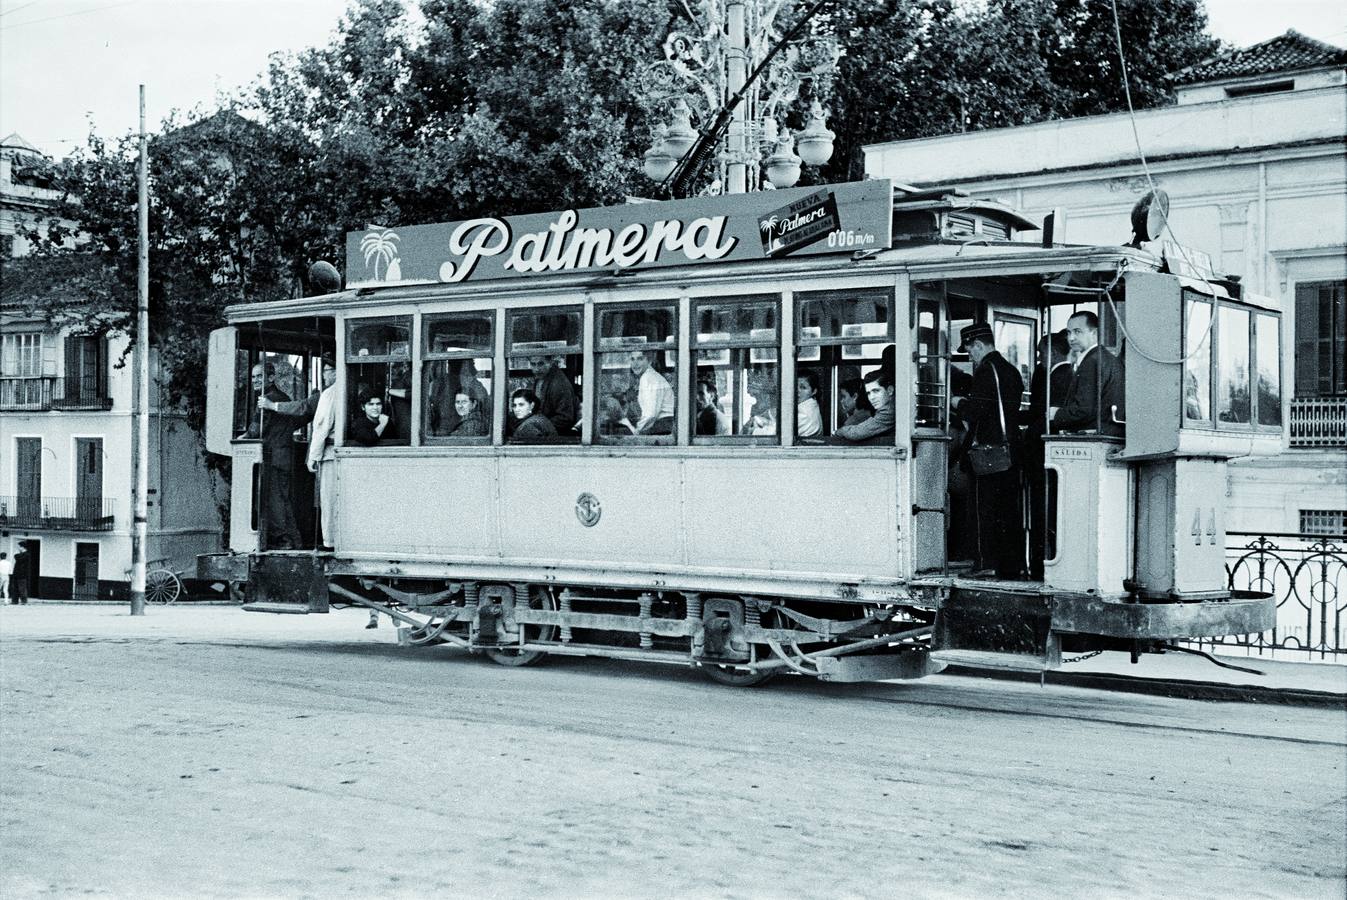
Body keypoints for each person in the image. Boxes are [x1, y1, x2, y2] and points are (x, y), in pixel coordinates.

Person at [953, 322, 1025, 579]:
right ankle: (1009, 566)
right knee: (1006, 511)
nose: (969, 355)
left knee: (983, 511)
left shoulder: (986, 371)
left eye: (970, 349)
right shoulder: (1011, 371)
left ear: (979, 345)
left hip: (987, 453)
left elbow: (976, 412)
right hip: (1009, 451)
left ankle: (984, 563)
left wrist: (958, 403)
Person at [260, 358, 338, 551]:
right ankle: (296, 541)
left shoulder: (328, 394)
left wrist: (313, 456)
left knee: (323, 500)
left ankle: (304, 542)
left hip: (287, 456)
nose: (324, 374)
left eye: (327, 370)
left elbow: (307, 412)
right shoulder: (333, 392)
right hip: (290, 456)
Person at [1021, 331, 1072, 580]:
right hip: (1044, 457)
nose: (1039, 359)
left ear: (1051, 352)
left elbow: (1045, 419)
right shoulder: (1059, 375)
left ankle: (1042, 566)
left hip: (1043, 457)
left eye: (1041, 353)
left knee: (1044, 510)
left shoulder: (1059, 377)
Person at [245, 362, 306, 550]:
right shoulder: (282, 397)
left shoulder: (266, 400)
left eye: (259, 376)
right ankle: (294, 540)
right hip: (284, 457)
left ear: (271, 378)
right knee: (283, 500)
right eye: (253, 377)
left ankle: (284, 540)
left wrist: (243, 437)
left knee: (274, 501)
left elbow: (257, 429)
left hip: (273, 458)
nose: (255, 380)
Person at [1052, 311, 1124, 437]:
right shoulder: (1108, 359)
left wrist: (1056, 414)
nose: (1071, 338)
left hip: (1093, 435)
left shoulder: (1091, 362)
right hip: (1110, 433)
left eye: (1077, 331)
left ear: (1094, 333)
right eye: (1069, 332)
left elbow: (1084, 410)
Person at [832, 370, 895, 444]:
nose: (872, 397)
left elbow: (856, 433)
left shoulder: (888, 411)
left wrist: (839, 432)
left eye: (876, 391)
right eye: (868, 393)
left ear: (890, 390)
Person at [628, 350, 675, 435]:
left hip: (664, 426)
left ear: (649, 361)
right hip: (666, 425)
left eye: (640, 359)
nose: (635, 363)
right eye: (632, 359)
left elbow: (650, 414)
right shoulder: (651, 376)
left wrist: (638, 429)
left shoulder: (648, 378)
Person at [530, 355, 578, 434]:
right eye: (533, 364)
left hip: (557, 435)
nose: (536, 369)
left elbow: (565, 418)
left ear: (550, 362)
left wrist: (537, 426)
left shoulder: (558, 384)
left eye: (541, 364)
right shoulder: (541, 377)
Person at [796, 371, 823, 438]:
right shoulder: (809, 407)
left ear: (814, 391)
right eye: (795, 386)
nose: (797, 390)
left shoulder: (804, 414)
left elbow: (772, 432)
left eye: (803, 387)